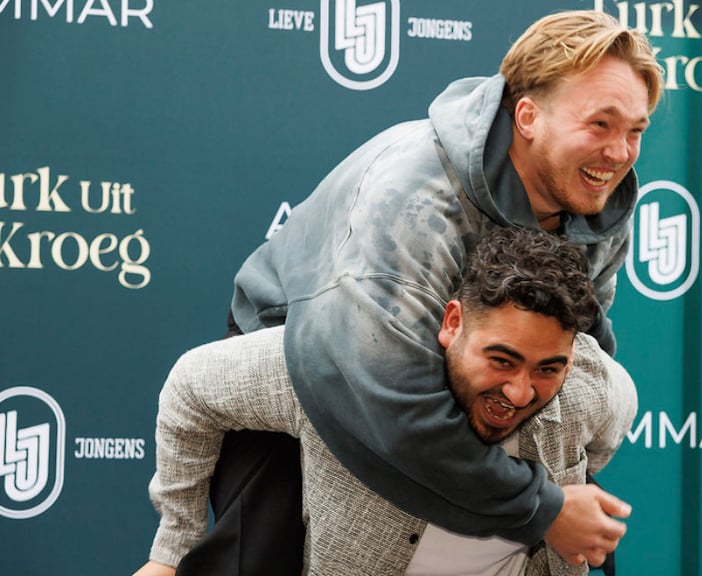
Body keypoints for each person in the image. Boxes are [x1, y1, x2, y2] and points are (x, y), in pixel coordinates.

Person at [175, 9, 663, 574]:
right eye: (600, 124)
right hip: (313, 367)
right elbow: (390, 402)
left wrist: (560, 484)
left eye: (635, 131)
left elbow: (581, 356)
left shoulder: (599, 199)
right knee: (265, 561)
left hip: (459, 375)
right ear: (528, 117)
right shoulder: (414, 197)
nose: (619, 153)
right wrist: (542, 507)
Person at [135, 226, 638, 575]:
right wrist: (171, 551)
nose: (520, 392)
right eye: (501, 360)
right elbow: (192, 386)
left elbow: (609, 428)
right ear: (453, 322)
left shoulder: (591, 386)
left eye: (548, 369)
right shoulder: (347, 367)